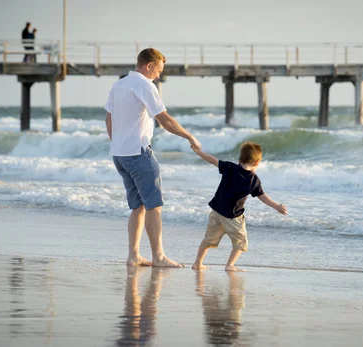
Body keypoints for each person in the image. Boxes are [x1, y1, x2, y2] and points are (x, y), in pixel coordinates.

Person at [105, 48, 201, 268]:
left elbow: (108, 119)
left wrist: (117, 142)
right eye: (158, 70)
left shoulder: (118, 85)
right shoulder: (144, 85)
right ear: (148, 65)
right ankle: (158, 256)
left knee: (137, 207)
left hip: (119, 155)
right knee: (154, 206)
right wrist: (189, 136)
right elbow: (164, 120)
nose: (159, 76)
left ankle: (133, 255)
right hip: (139, 154)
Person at [191, 141, 288, 272]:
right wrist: (276, 206)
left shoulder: (230, 168)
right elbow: (262, 196)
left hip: (217, 212)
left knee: (208, 240)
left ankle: (198, 263)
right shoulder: (254, 180)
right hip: (233, 217)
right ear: (256, 163)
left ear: (239, 159)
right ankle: (229, 265)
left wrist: (198, 151)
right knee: (240, 243)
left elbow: (212, 160)